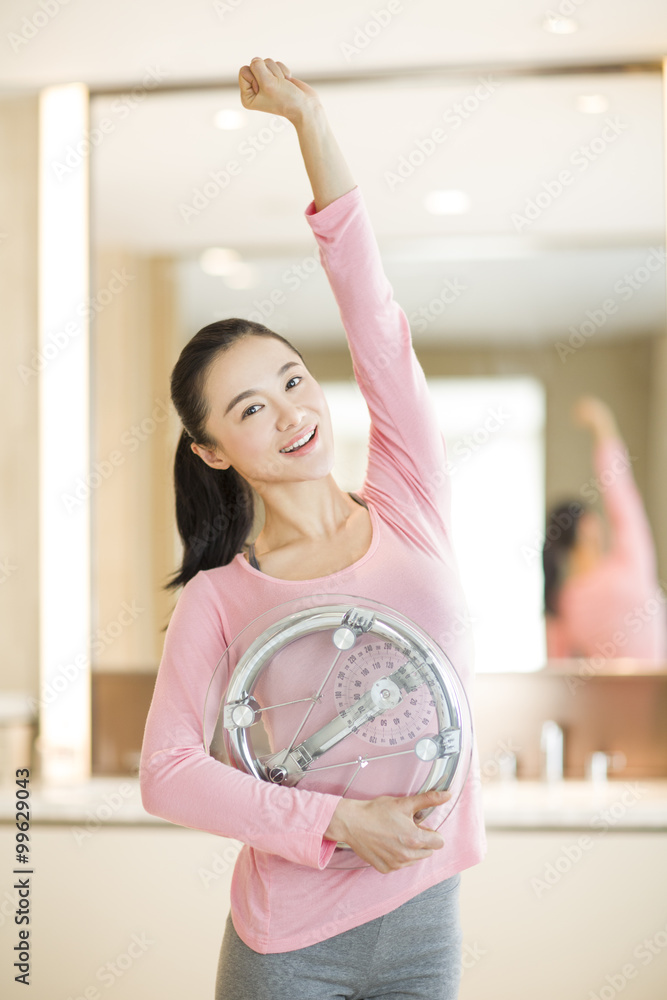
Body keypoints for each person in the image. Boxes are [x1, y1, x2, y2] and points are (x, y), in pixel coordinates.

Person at [139, 56, 486, 1000]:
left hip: (423, 921)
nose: (290, 415)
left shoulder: (407, 497)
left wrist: (310, 124)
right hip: (286, 944)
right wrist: (337, 823)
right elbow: (166, 774)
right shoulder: (222, 595)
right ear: (212, 450)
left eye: (292, 381)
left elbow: (375, 321)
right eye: (249, 410)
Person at [543, 395, 666, 661]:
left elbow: (560, 673)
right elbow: (622, 496)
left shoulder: (563, 603)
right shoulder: (630, 564)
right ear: (588, 526)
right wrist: (603, 425)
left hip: (610, 703)